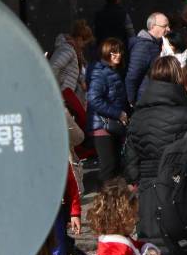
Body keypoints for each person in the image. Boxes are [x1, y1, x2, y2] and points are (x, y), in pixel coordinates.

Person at [122, 57, 187, 255]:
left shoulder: (138, 116)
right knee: (180, 249)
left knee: (151, 251)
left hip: (147, 190)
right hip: (177, 188)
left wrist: (136, 181)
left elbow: (130, 160)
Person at [87, 178, 164, 255]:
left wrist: (150, 251)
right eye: (133, 215)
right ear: (121, 217)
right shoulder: (112, 250)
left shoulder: (118, 239)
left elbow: (135, 246)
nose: (136, 219)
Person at [87, 37, 130, 181]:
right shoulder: (100, 72)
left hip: (112, 125)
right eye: (113, 52)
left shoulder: (113, 71)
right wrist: (118, 113)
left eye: (119, 52)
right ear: (105, 53)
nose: (117, 55)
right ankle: (103, 201)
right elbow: (94, 99)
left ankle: (113, 201)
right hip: (102, 126)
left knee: (115, 166)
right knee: (108, 167)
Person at [126, 13, 170, 104]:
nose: (168, 29)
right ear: (153, 26)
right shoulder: (144, 46)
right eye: (164, 26)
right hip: (143, 100)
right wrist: (131, 102)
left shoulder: (157, 44)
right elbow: (133, 76)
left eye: (168, 26)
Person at [50, 20, 92, 103]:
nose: (84, 46)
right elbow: (53, 67)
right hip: (62, 97)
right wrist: (58, 88)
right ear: (79, 39)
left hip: (64, 97)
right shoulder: (68, 50)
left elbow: (71, 70)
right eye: (84, 43)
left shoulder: (75, 52)